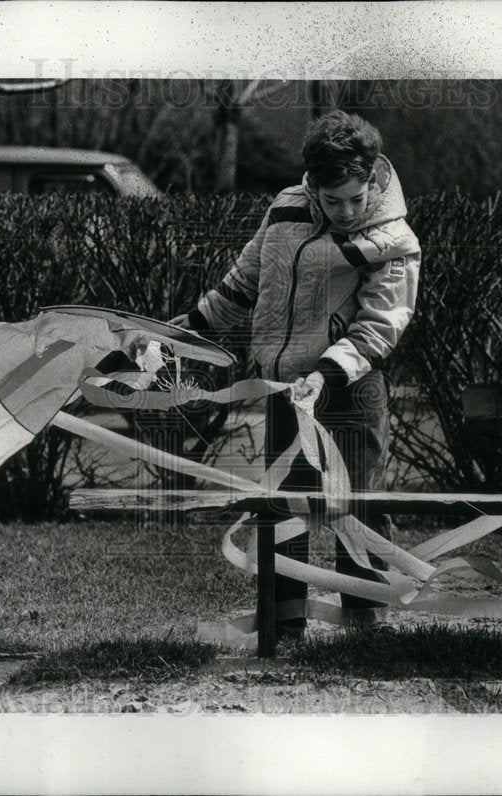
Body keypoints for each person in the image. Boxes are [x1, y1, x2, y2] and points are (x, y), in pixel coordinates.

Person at [170, 110, 420, 640]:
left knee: (357, 510)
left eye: (356, 198)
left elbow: (382, 324)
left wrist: (327, 374)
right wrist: (190, 327)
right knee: (286, 511)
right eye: (333, 201)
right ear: (312, 185)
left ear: (373, 178)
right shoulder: (284, 207)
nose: (348, 211)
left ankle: (364, 628)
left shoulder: (393, 238)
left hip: (351, 390)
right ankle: (283, 631)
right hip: (285, 391)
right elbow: (244, 281)